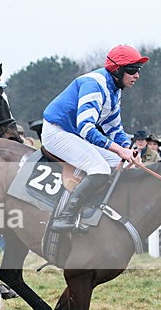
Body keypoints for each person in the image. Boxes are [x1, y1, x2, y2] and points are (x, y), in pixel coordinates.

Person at [41, 44, 146, 232]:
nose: (137, 75)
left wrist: (129, 150)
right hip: (57, 132)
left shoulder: (115, 89)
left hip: (73, 133)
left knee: (120, 163)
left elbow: (114, 128)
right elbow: (86, 128)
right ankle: (64, 217)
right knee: (100, 169)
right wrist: (120, 150)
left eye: (138, 70)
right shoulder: (95, 85)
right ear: (117, 70)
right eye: (132, 70)